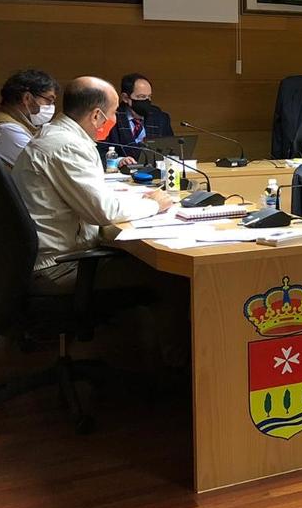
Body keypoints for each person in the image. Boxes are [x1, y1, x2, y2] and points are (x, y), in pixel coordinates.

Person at [11, 76, 185, 365]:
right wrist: (153, 204)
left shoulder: (56, 135)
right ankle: (176, 370)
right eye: (113, 113)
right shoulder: (66, 146)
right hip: (60, 267)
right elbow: (103, 211)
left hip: (45, 257)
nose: (115, 120)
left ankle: (141, 353)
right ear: (96, 115)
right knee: (170, 274)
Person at [0, 69, 59, 166]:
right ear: (27, 98)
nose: (51, 106)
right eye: (49, 100)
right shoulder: (6, 129)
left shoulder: (4, 117)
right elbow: (40, 168)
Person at [102, 73, 174, 166]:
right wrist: (119, 161)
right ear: (125, 98)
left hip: (155, 171)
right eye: (141, 97)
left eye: (149, 96)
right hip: (122, 172)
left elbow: (171, 150)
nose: (147, 101)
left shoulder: (159, 118)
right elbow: (100, 152)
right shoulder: (111, 118)